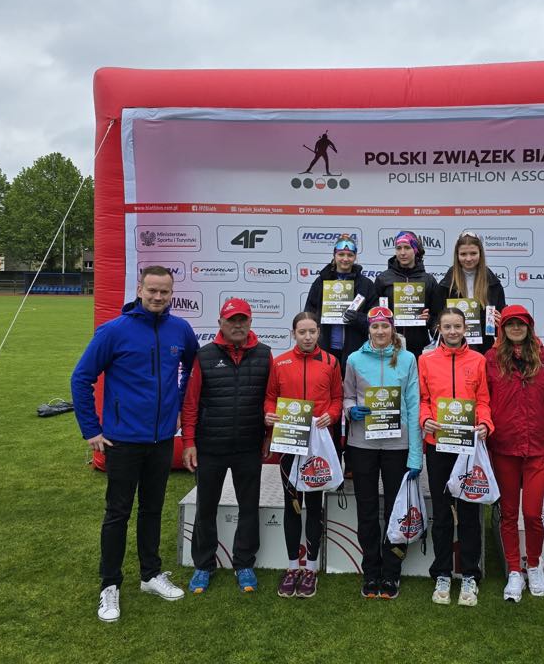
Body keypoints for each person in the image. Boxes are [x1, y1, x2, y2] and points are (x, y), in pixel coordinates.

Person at [71, 265, 199, 623]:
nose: (158, 297)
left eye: (164, 292)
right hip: (122, 440)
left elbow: (193, 369)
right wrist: (91, 430)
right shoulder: (114, 331)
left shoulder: (180, 329)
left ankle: (150, 575)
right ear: (140, 289)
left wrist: (178, 403)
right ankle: (110, 584)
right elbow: (81, 378)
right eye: (152, 290)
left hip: (161, 439)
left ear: (171, 294)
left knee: (153, 509)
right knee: (118, 513)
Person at [181, 298, 274, 595]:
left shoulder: (265, 354)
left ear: (250, 322)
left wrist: (268, 436)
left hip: (248, 445)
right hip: (210, 446)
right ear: (220, 323)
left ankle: (244, 562)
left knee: (249, 507)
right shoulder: (204, 355)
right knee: (206, 507)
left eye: (242, 320)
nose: (237, 325)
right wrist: (189, 442)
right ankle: (203, 564)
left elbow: (270, 400)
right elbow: (191, 403)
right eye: (232, 320)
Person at [343, 305, 422, 600]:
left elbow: (413, 405)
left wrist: (415, 455)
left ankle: (391, 572)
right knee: (366, 510)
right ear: (368, 330)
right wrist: (351, 410)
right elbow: (347, 396)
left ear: (393, 329)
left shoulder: (408, 358)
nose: (380, 331)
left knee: (394, 511)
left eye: (385, 326)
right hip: (362, 444)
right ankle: (370, 571)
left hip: (397, 446)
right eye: (375, 326)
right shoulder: (354, 359)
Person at [264, 312, 343, 599]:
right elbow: (270, 398)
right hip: (289, 442)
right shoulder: (280, 362)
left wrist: (331, 414)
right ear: (293, 333)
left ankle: (310, 568)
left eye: (312, 331)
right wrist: (268, 414)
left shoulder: (331, 362)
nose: (307, 337)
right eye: (302, 332)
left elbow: (337, 398)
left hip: (318, 444)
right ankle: (291, 567)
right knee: (292, 504)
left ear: (319, 332)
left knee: (314, 504)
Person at [418, 306, 493, 607]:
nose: (452, 331)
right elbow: (423, 399)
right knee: (441, 512)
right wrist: (425, 419)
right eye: (447, 326)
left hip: (467, 446)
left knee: (470, 511)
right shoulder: (426, 360)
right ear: (439, 328)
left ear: (465, 329)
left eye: (457, 326)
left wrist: (485, 424)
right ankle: (442, 572)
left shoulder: (478, 360)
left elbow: (483, 400)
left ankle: (470, 573)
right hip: (438, 444)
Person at [483, 305, 544, 602]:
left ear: (529, 327)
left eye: (521, 324)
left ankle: (534, 564)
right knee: (509, 513)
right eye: (510, 324)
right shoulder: (491, 358)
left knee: (533, 513)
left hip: (538, 446)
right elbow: (482, 397)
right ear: (502, 328)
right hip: (504, 445)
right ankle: (515, 569)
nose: (516, 328)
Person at [303, 234, 377, 375]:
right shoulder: (321, 282)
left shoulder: (365, 284)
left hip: (355, 351)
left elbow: (375, 318)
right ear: (334, 255)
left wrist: (358, 318)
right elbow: (309, 313)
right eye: (341, 254)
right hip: (325, 349)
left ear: (355, 257)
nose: (345, 259)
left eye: (350, 255)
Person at [435, 230, 507, 354]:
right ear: (457, 255)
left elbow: (500, 320)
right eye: (463, 254)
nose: (468, 259)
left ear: (481, 254)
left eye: (473, 253)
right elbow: (435, 317)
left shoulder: (494, 284)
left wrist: (502, 322)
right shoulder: (446, 285)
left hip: (484, 348)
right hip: (452, 347)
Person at [374, 230, 441, 358]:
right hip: (389, 344)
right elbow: (374, 312)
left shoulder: (428, 280)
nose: (402, 252)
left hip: (419, 345)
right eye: (398, 248)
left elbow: (438, 315)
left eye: (407, 248)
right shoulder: (383, 279)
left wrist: (429, 319)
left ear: (415, 250)